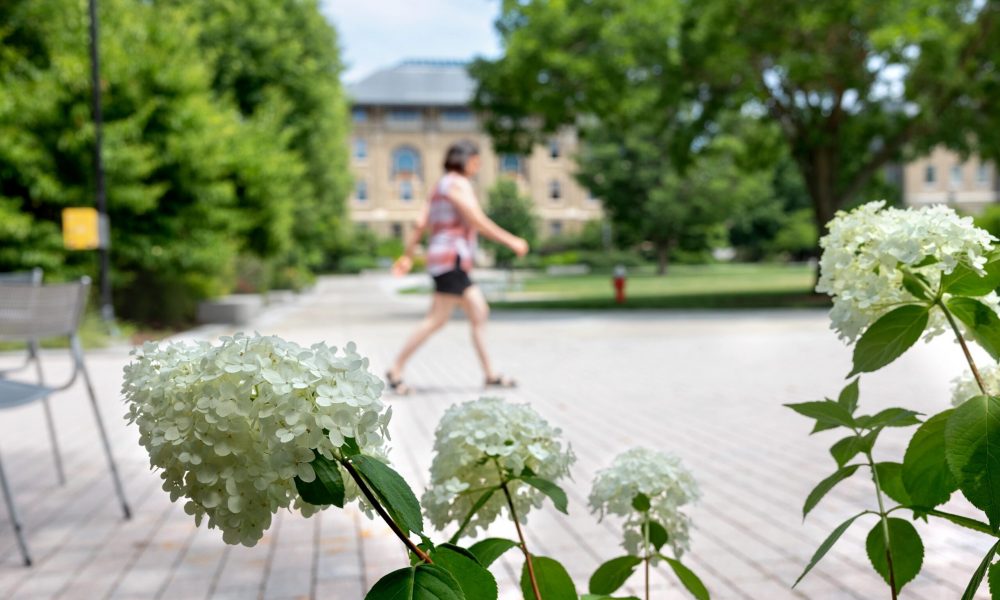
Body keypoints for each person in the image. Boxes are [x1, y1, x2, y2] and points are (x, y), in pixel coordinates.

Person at [386, 141, 529, 395]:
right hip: (451, 259)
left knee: (478, 312)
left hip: (444, 259)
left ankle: (490, 374)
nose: (478, 166)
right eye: (476, 161)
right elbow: (476, 220)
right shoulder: (457, 184)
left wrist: (407, 256)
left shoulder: (438, 187)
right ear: (465, 160)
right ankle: (396, 368)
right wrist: (512, 241)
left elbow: (420, 223)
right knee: (437, 320)